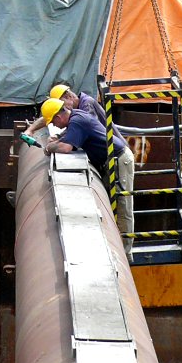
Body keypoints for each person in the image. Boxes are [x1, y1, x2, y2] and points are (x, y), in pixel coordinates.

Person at [40, 97, 135, 260]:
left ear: (58, 116)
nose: (54, 126)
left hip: (120, 160)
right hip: (111, 161)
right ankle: (119, 245)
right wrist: (59, 139)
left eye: (53, 122)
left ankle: (126, 253)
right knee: (114, 203)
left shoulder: (77, 121)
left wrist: (49, 147)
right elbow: (67, 139)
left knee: (123, 205)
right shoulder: (76, 117)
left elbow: (66, 147)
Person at [25, 83, 125, 143]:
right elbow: (50, 115)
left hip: (114, 152)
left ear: (68, 97)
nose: (62, 108)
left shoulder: (87, 104)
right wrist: (31, 130)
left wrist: (59, 137)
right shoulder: (76, 107)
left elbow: (82, 128)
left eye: (61, 104)